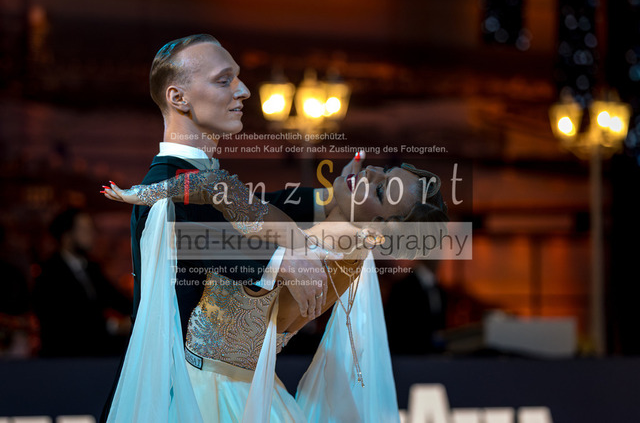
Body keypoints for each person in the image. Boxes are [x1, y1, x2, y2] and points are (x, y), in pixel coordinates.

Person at [99, 34, 363, 422]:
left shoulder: (202, 182)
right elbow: (197, 234)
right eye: (224, 80)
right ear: (178, 98)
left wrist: (334, 196)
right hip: (181, 398)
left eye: (238, 77)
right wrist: (282, 261)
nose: (243, 91)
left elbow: (258, 206)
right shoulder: (166, 190)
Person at [103, 161, 448, 422]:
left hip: (207, 394)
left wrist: (143, 195)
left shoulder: (301, 252)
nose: (369, 173)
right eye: (383, 171)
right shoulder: (348, 258)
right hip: (251, 393)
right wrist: (341, 197)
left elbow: (211, 200)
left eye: (381, 191)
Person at [32, 208, 131, 357]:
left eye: (92, 229)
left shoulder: (91, 268)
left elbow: (117, 299)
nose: (92, 235)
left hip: (96, 352)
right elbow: (67, 319)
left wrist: (141, 311)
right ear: (67, 236)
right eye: (85, 229)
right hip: (64, 356)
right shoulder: (49, 272)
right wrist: (115, 326)